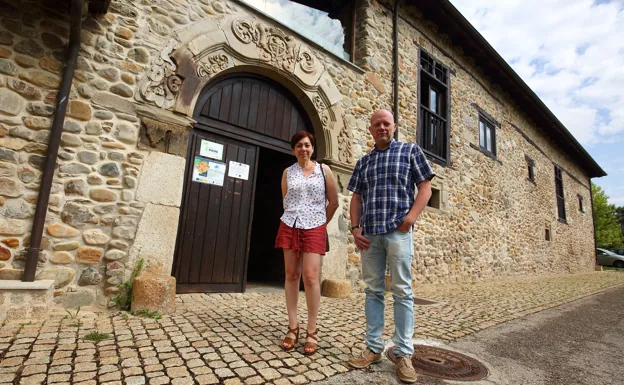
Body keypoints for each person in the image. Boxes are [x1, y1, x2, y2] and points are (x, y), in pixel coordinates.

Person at [346, 109, 435, 384]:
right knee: (373, 291)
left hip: (398, 232)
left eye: (386, 123)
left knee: (402, 291)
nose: (382, 127)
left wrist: (410, 219)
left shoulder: (410, 152)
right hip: (370, 236)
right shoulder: (364, 162)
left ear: (394, 126)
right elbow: (356, 198)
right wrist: (355, 228)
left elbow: (425, 188)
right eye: (377, 124)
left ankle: (403, 354)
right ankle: (373, 348)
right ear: (370, 130)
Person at [275, 131, 339, 355]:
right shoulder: (287, 173)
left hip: (314, 227)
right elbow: (286, 200)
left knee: (310, 277)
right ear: (293, 149)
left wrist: (321, 224)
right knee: (291, 275)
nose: (304, 149)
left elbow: (334, 202)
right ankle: (293, 327)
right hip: (290, 224)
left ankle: (312, 330)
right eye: (299, 146)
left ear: (313, 148)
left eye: (307, 145)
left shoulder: (324, 170)